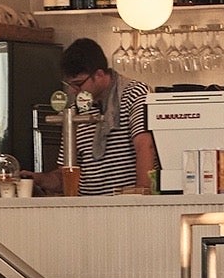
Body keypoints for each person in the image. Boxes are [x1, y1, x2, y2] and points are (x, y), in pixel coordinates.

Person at [35, 37, 156, 195]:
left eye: (78, 84)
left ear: (99, 74)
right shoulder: (76, 109)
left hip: (125, 206)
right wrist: (40, 180)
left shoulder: (134, 93)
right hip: (88, 210)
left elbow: (145, 146)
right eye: (70, 85)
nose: (73, 91)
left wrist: (141, 196)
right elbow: (67, 173)